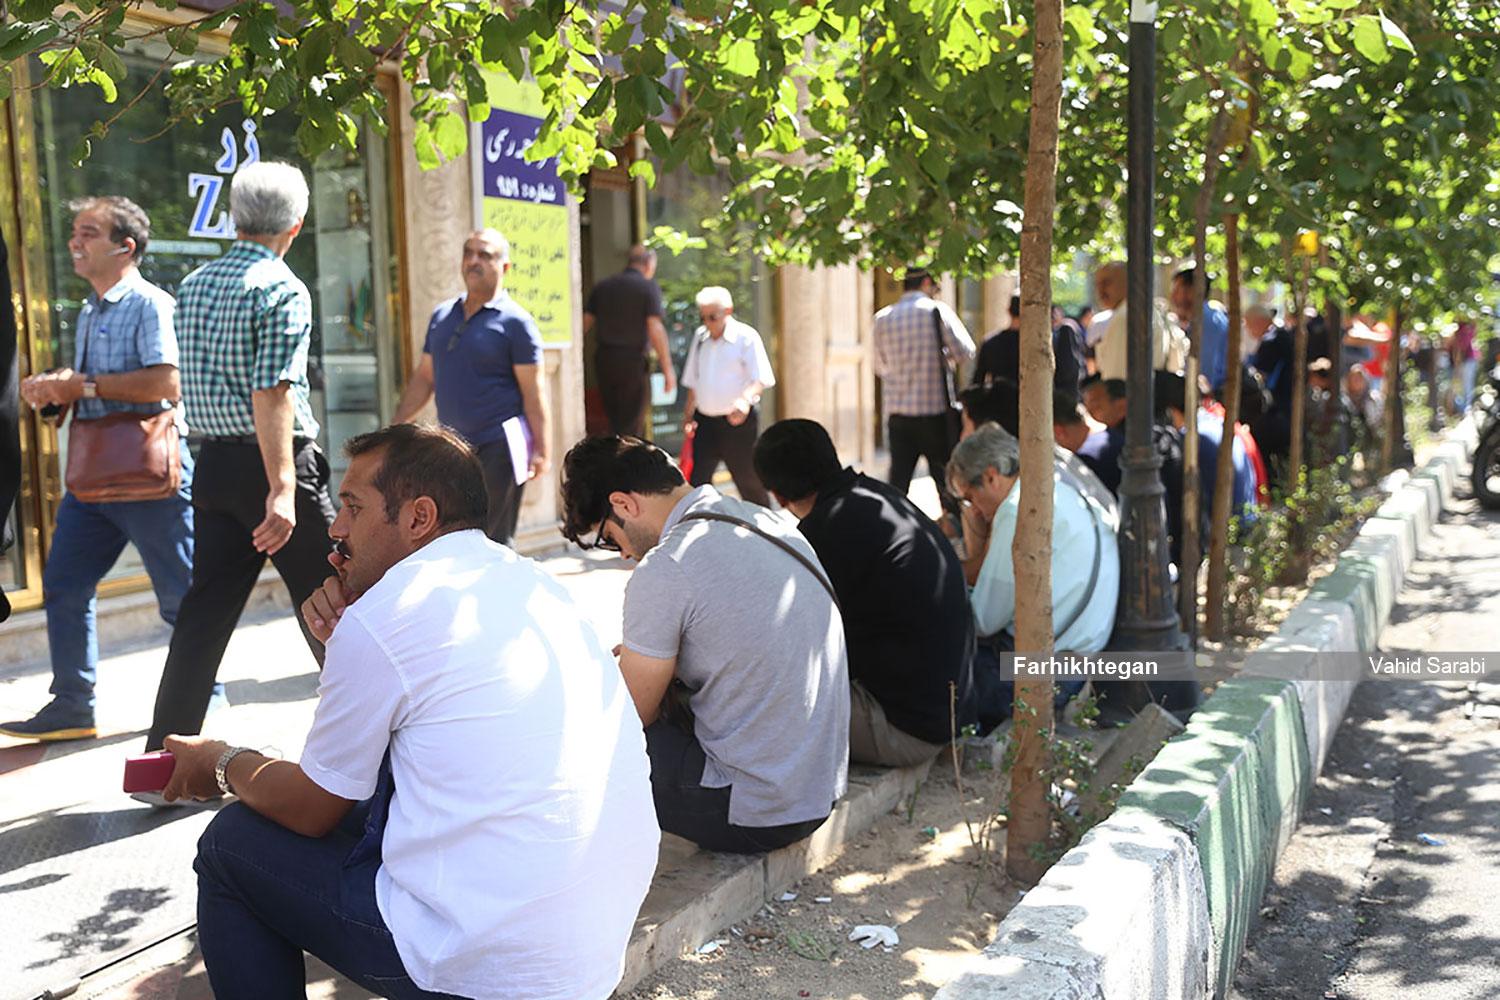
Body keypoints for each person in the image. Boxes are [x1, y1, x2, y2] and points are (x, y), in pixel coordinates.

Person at [160, 424, 658, 999]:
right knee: (366, 801)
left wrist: (222, 762)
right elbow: (391, 745)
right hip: (588, 953)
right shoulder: (530, 583)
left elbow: (310, 808)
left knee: (231, 844)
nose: (336, 528)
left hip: (489, 969)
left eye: (353, 507)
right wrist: (345, 640)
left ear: (419, 517)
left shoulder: (389, 614)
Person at [560, 435, 848, 854]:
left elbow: (629, 716)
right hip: (818, 792)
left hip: (756, 812)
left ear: (623, 504)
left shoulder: (667, 566)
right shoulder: (764, 521)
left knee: (584, 740)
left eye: (609, 538)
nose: (621, 554)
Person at [142, 162, 337, 754]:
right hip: (275, 465)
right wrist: (282, 486)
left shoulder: (195, 283)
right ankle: (375, 751)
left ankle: (161, 760)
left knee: (203, 615)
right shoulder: (281, 287)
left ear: (235, 218)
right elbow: (272, 391)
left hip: (215, 466)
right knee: (336, 601)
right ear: (296, 226)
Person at [1, 197, 200, 741]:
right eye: (74, 232)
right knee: (64, 585)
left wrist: (81, 386)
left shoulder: (150, 304)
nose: (75, 242)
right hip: (93, 482)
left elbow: (166, 382)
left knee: (182, 599)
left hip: (151, 482)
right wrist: (57, 392)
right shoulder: (91, 309)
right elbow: (91, 388)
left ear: (125, 247)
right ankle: (72, 704)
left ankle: (203, 700)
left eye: (88, 232)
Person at [751, 418, 977, 767]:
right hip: (950, 711)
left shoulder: (824, 533)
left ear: (779, 497)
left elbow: (791, 644)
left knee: (752, 693)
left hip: (905, 730)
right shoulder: (878, 495)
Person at [948, 424, 1119, 728]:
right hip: (1077, 662)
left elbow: (984, 620)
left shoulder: (1018, 509)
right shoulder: (1055, 488)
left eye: (970, 497)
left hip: (1043, 675)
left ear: (991, 476)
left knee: (933, 667)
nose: (973, 511)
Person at [392, 229, 547, 546]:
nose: (474, 260)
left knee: (490, 539)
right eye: (468, 252)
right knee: (451, 535)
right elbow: (425, 377)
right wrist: (396, 426)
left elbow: (534, 392)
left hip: (499, 447)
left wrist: (541, 450)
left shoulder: (517, 323)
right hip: (451, 449)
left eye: (485, 255)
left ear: (505, 267)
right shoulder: (442, 315)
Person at [872, 266, 976, 515]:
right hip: (934, 415)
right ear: (927, 282)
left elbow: (879, 366)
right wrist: (943, 357)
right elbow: (965, 351)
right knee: (945, 483)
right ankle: (953, 529)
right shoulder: (937, 311)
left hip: (898, 415)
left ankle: (893, 526)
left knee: (898, 485)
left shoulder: (882, 318)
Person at [680, 286, 775, 506]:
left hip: (737, 423)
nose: (707, 322)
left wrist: (744, 400)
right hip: (705, 422)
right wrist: (688, 416)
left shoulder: (746, 337)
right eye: (703, 317)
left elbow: (761, 379)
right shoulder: (700, 337)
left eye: (712, 317)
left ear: (728, 311)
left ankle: (764, 522)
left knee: (748, 480)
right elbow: (693, 380)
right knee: (698, 483)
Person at [584, 245, 676, 436]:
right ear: (649, 264)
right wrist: (668, 369)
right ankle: (627, 454)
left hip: (604, 361)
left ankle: (616, 451)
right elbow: (655, 327)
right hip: (632, 363)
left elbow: (584, 324)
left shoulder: (604, 286)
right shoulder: (647, 287)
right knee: (631, 425)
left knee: (613, 419)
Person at [1091, 261, 1186, 381]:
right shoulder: (1146, 310)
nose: (1100, 291)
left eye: (1107, 283)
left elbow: (1115, 380)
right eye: (1097, 285)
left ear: (1127, 282)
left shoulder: (1126, 316)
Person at [1170, 267, 1231, 393]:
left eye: (1177, 289)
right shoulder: (1205, 317)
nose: (1172, 296)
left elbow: (1206, 374)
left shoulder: (1205, 322)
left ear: (1192, 291)